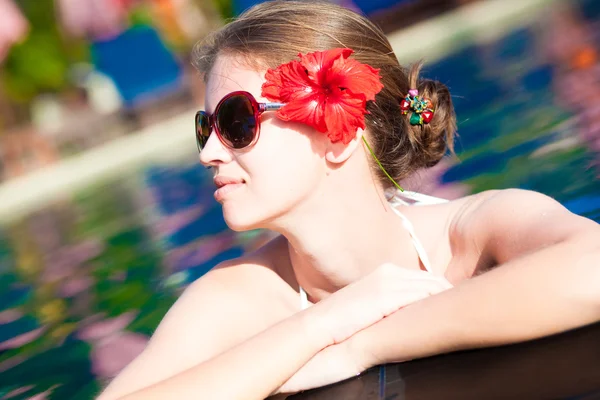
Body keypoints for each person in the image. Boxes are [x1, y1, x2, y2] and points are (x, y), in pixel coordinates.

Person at [97, 1, 600, 399]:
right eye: (206, 127)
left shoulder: (472, 231)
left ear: (339, 135)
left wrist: (359, 344)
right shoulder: (238, 296)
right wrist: (321, 325)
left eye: (236, 121)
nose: (208, 152)